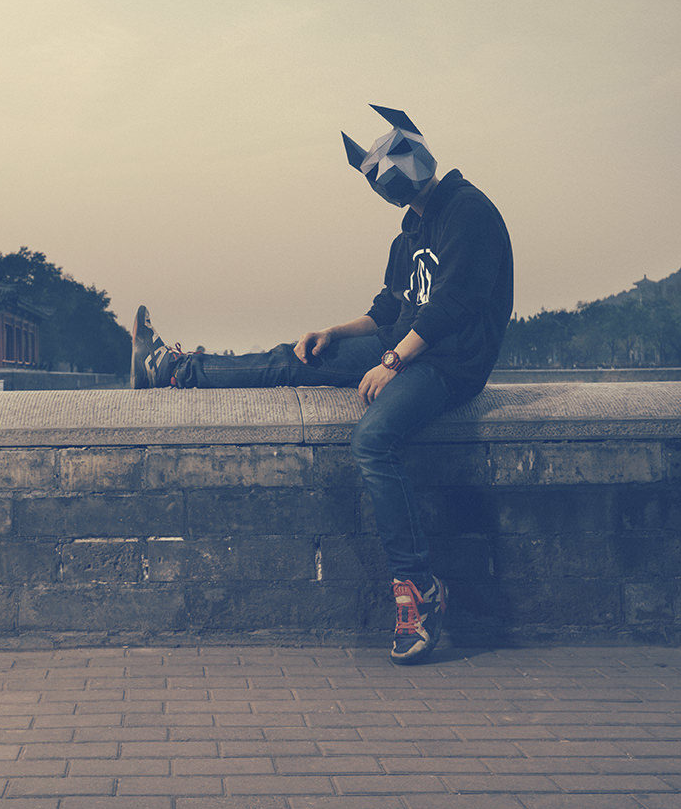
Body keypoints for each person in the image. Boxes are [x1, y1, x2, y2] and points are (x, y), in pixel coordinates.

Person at [131, 106, 513, 664]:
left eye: (386, 169)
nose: (385, 181)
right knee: (295, 358)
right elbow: (388, 310)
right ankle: (171, 368)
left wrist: (393, 361)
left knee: (372, 441)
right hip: (404, 348)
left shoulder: (467, 210)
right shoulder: (409, 232)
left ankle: (418, 590)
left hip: (450, 364)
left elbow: (454, 305)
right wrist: (334, 333)